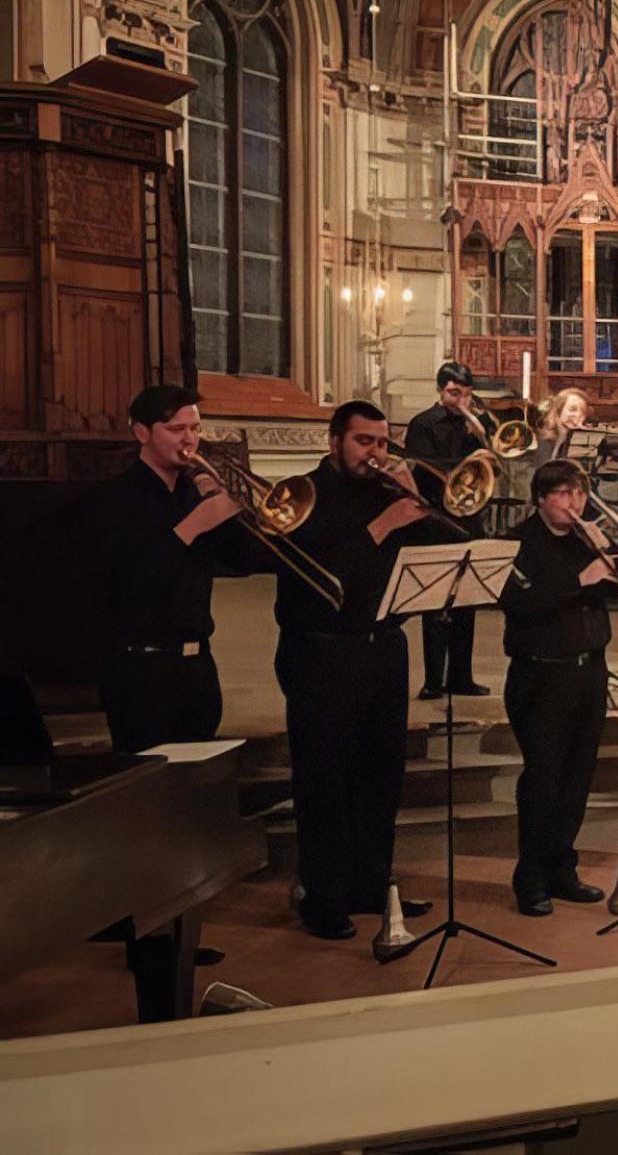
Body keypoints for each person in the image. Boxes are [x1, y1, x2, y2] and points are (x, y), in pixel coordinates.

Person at [273, 401, 449, 940]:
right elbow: (316, 571)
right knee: (324, 778)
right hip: (320, 652)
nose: (374, 453)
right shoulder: (300, 494)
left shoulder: (389, 492)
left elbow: (448, 542)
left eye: (381, 443)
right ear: (334, 441)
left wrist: (422, 499)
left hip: (384, 649)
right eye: (363, 442)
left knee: (381, 774)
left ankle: (372, 884)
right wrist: (382, 525)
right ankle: (322, 896)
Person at [83, 386, 260, 754]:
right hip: (140, 671)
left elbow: (248, 560)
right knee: (147, 792)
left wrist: (228, 512)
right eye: (176, 429)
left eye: (195, 428)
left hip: (197, 669)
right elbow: (134, 586)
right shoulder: (114, 499)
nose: (190, 440)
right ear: (142, 433)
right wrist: (194, 524)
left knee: (196, 791)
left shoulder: (195, 491)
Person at [496, 459, 615, 916]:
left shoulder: (588, 540)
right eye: (565, 494)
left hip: (589, 671)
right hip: (540, 675)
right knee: (543, 778)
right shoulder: (517, 544)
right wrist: (578, 579)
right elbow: (521, 604)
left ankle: (562, 868)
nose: (575, 503)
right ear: (542, 499)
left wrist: (610, 554)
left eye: (580, 494)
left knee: (578, 777)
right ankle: (530, 876)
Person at [403, 362, 494, 701]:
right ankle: (433, 680)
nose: (461, 402)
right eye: (455, 393)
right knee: (436, 602)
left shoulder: (476, 424)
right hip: (436, 517)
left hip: (469, 518)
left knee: (466, 600)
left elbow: (489, 465)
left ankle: (461, 676)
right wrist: (464, 457)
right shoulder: (423, 424)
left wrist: (481, 445)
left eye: (467, 395)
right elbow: (427, 466)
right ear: (440, 390)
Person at [533, 386, 592, 466]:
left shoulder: (584, 442)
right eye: (572, 409)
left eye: (582, 411)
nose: (578, 415)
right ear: (558, 409)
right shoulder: (540, 438)